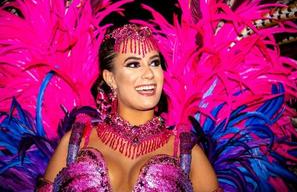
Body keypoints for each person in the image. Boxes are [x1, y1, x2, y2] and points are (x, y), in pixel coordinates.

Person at [37, 24, 220, 191]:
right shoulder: (76, 142)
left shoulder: (186, 152)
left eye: (154, 63)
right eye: (133, 64)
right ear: (110, 78)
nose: (149, 74)